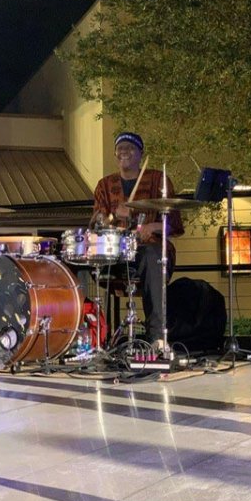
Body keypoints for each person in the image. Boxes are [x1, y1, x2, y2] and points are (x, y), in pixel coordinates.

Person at [91, 131, 184, 344]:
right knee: (77, 258)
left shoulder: (158, 180)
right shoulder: (104, 185)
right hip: (114, 252)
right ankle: (89, 336)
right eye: (120, 148)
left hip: (148, 249)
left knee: (153, 256)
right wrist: (112, 217)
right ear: (115, 154)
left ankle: (157, 338)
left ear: (140, 154)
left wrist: (152, 226)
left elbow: (174, 225)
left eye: (130, 148)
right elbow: (96, 224)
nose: (124, 152)